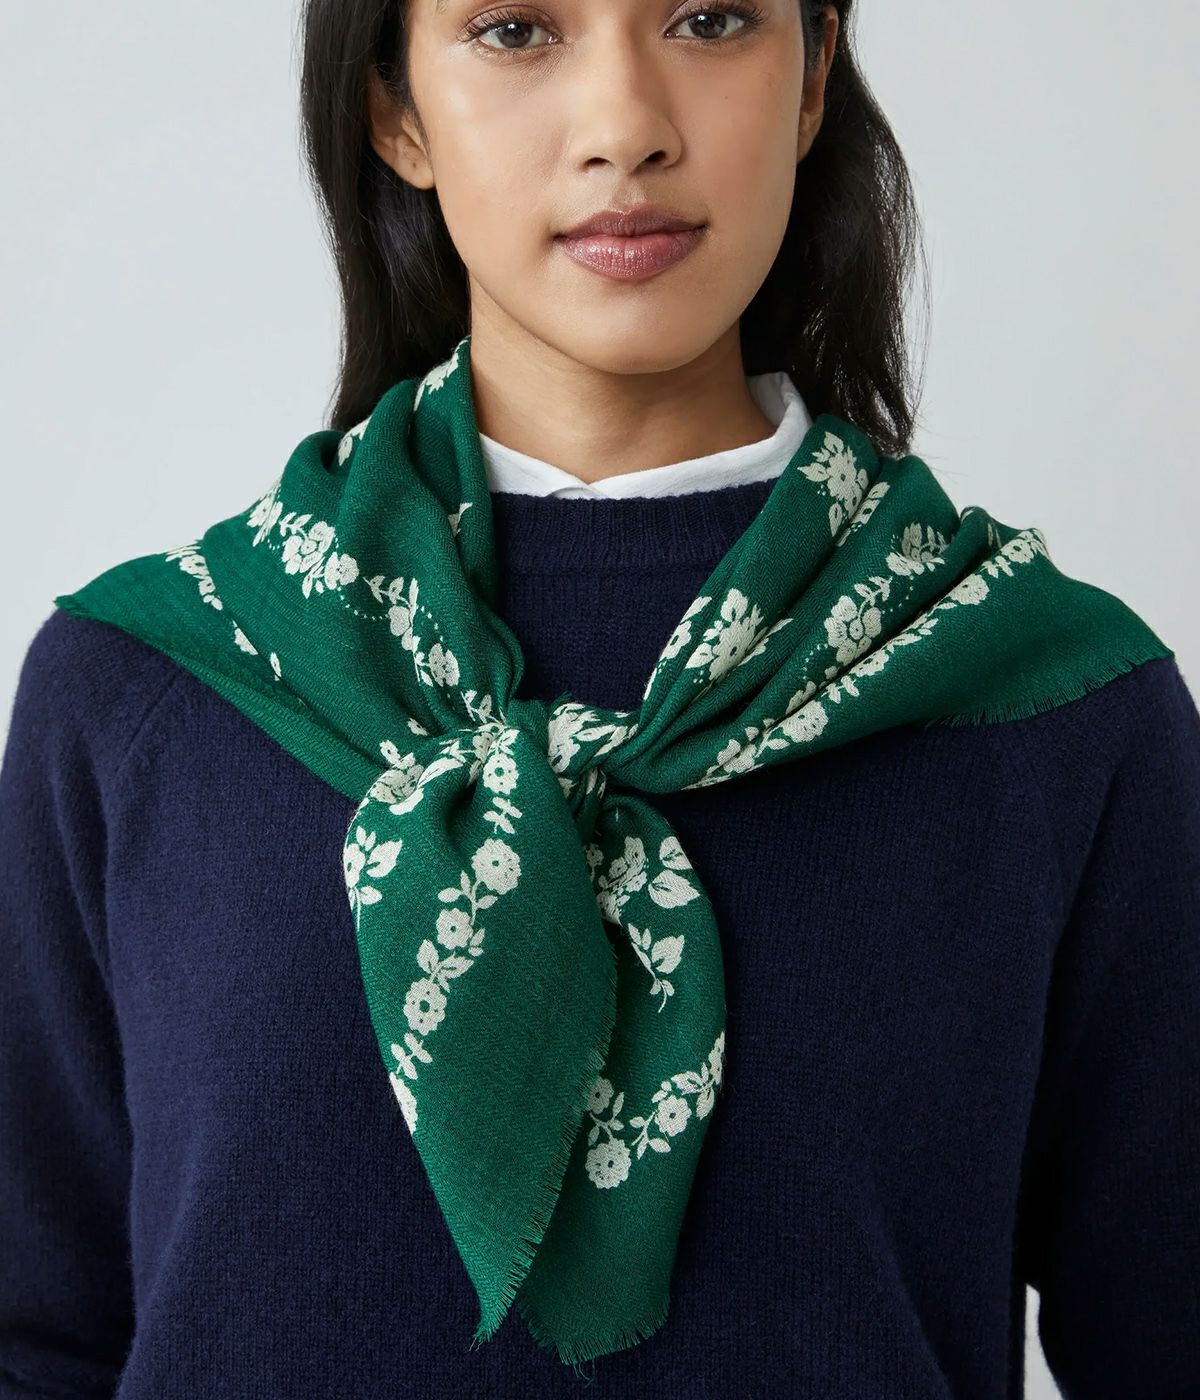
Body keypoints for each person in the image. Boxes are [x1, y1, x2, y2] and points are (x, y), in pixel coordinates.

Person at [2, 2, 1197, 1397]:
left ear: (813, 76)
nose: (626, 126)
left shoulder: (1052, 704)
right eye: (516, 29)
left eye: (709, 18)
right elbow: (37, 1341)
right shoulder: (147, 688)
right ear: (395, 112)